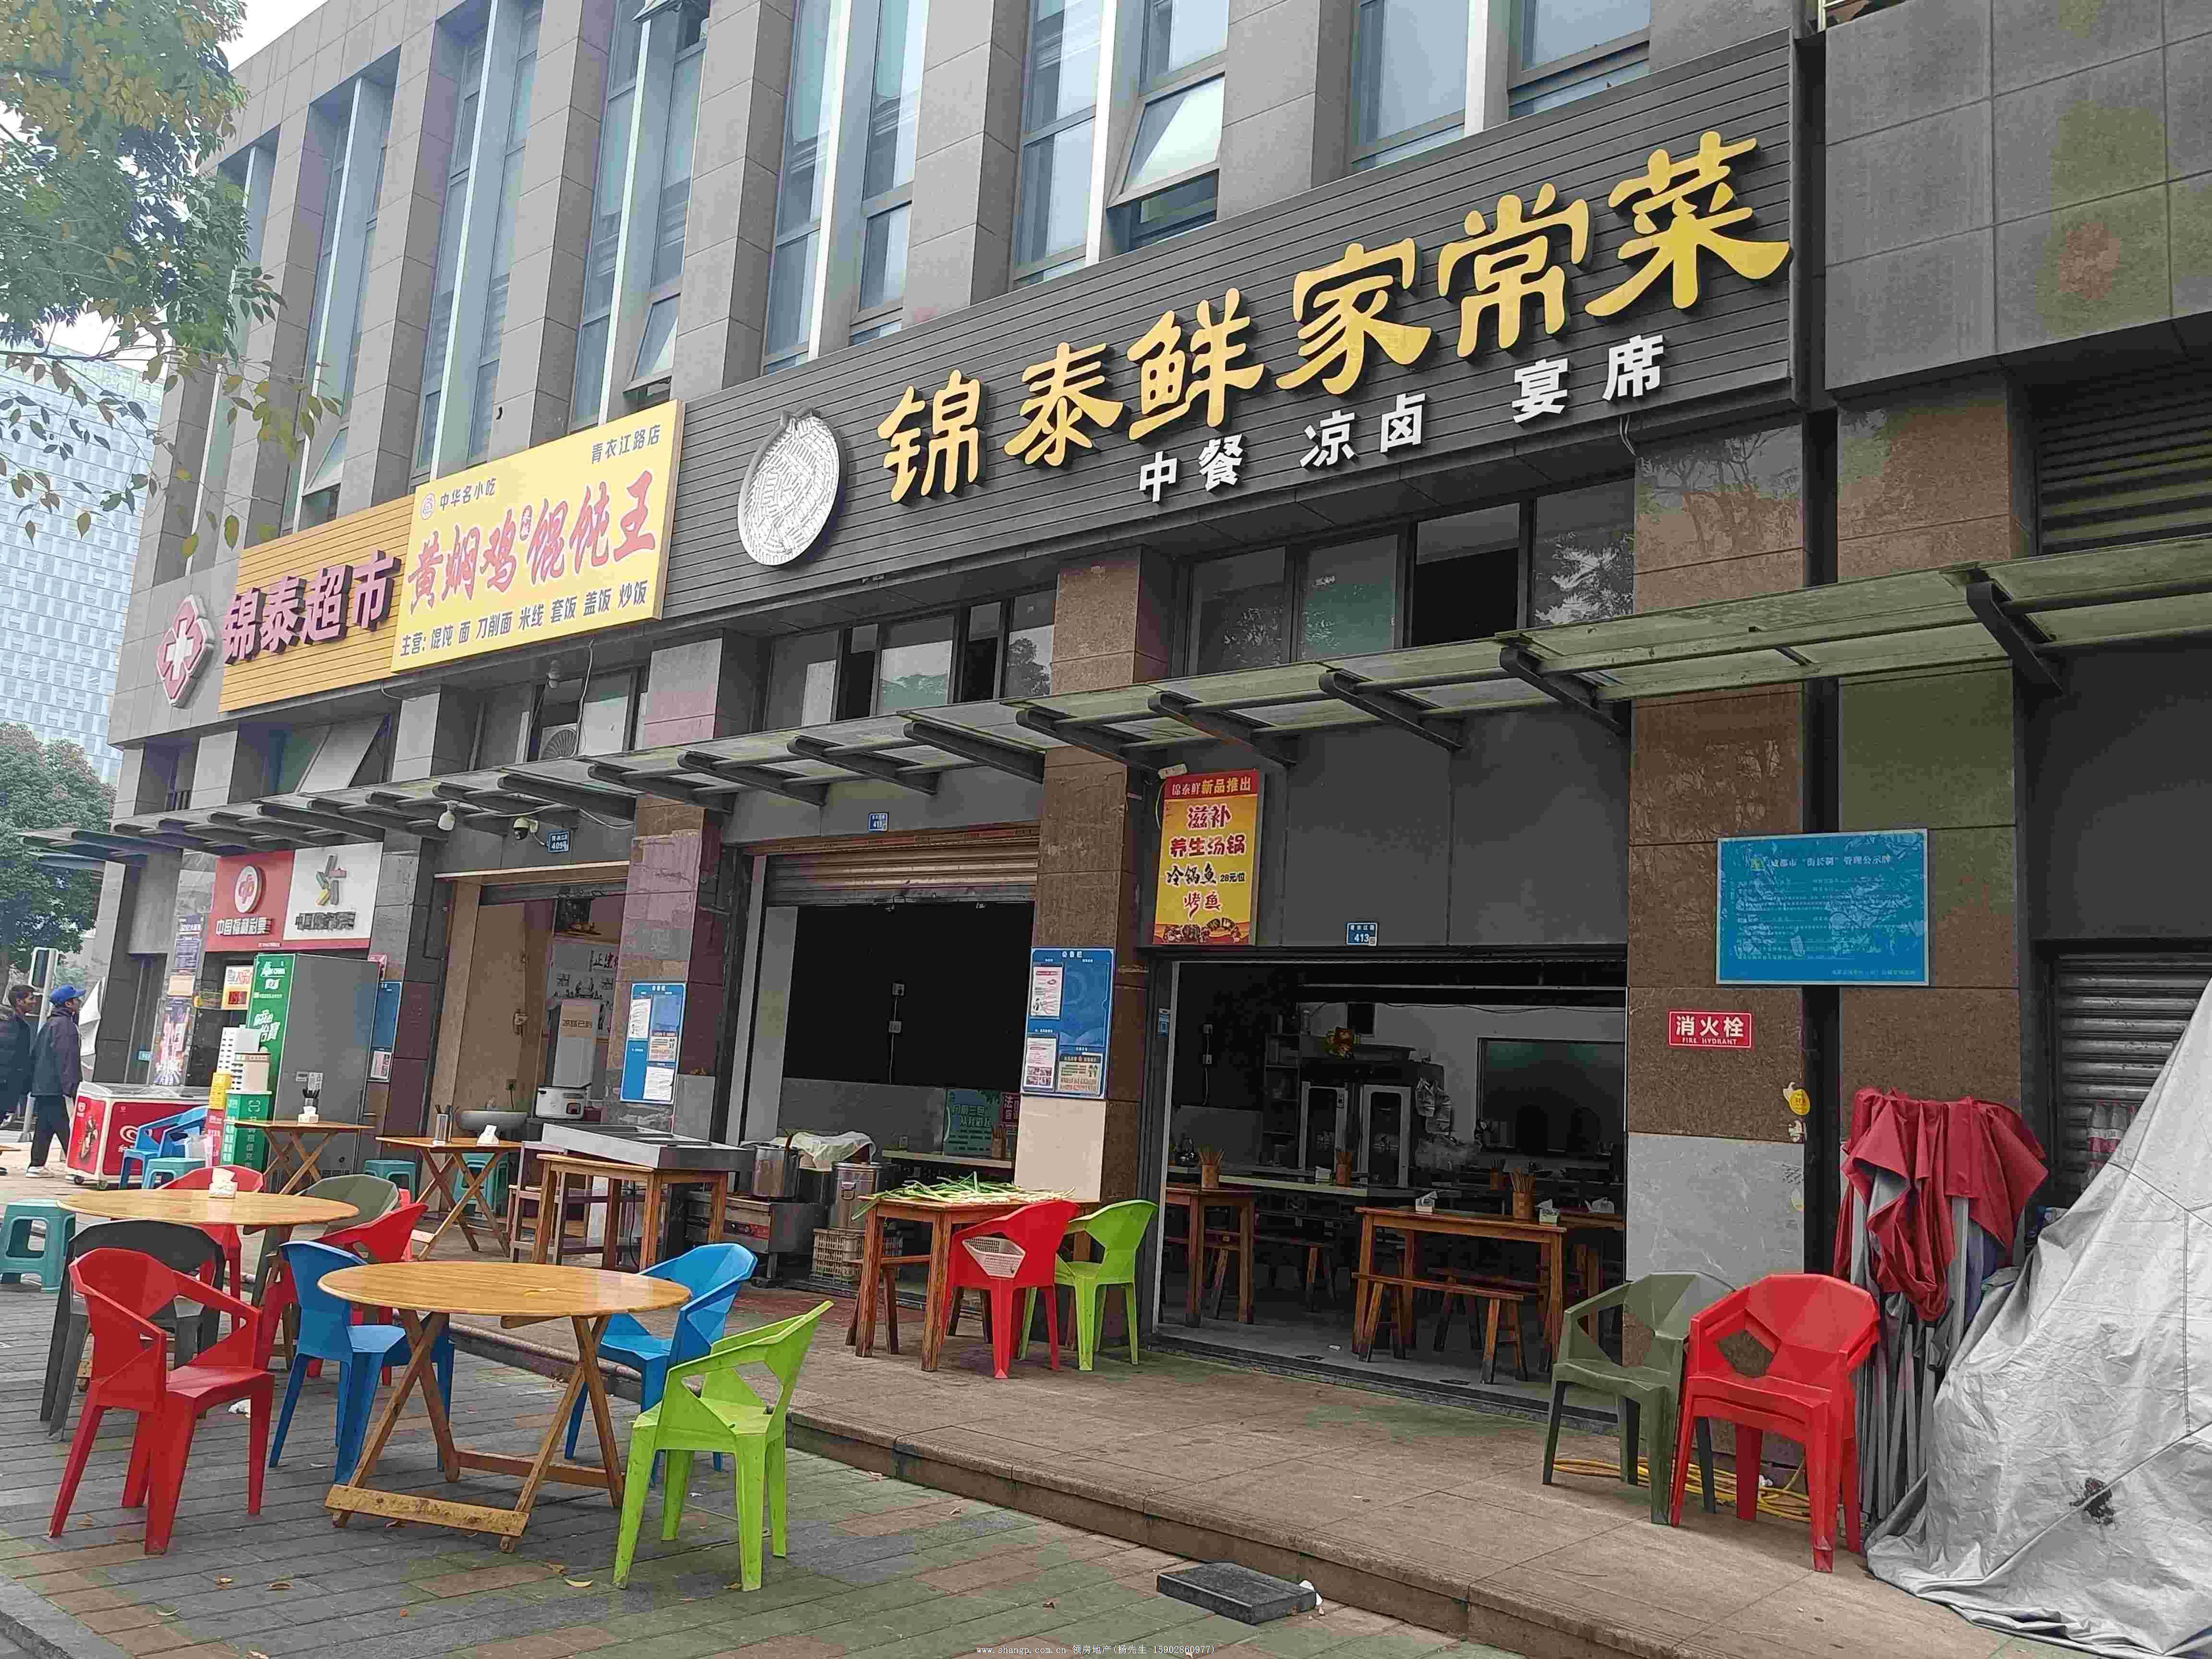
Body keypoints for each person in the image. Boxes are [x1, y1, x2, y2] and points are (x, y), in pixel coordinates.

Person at [24, 984, 82, 1176]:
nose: (79, 1002)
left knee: (45, 1126)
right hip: (57, 1087)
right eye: (76, 999)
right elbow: (67, 1059)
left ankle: (37, 1165)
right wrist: (72, 1088)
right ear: (68, 1004)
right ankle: (77, 1167)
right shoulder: (65, 1027)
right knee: (66, 1127)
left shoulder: (50, 1024)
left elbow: (35, 1055)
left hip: (43, 1086)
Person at [0, 984, 35, 1132]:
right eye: (31, 998)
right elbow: (10, 1055)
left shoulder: (17, 1022)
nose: (34, 1002)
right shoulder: (11, 1023)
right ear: (19, 1001)